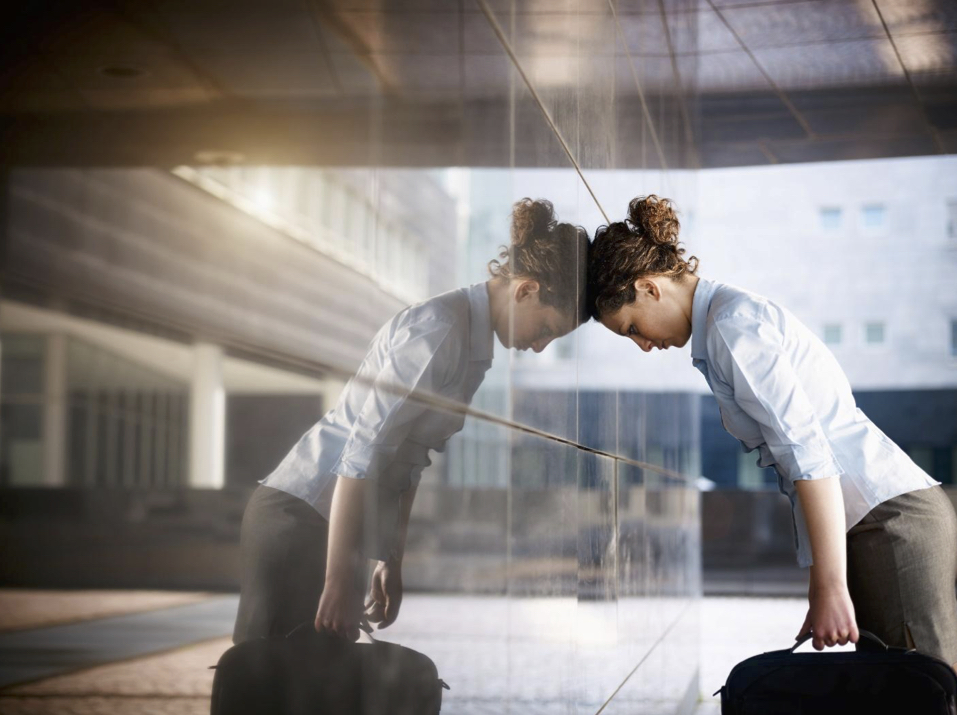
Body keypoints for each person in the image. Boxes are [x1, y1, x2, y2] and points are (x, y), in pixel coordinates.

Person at [586, 194, 957, 669]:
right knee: (899, 690)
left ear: (649, 287)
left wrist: (830, 585)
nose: (642, 344)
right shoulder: (725, 323)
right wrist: (823, 578)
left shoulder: (732, 327)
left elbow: (809, 456)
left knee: (922, 693)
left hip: (889, 522)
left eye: (632, 326)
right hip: (874, 523)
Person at [233, 198, 590, 644]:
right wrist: (340, 576)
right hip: (300, 518)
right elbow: (363, 449)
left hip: (336, 530)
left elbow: (409, 460)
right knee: (269, 686)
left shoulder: (474, 346)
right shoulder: (441, 329)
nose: (539, 346)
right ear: (526, 290)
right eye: (547, 330)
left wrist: (388, 558)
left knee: (315, 689)